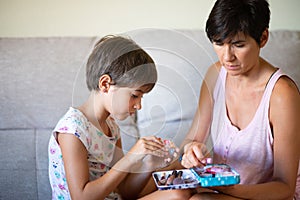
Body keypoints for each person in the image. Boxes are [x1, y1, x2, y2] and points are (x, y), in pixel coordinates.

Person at [180, 0, 300, 199]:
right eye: (219, 43)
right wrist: (191, 150)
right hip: (224, 191)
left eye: (238, 45)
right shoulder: (216, 75)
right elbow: (192, 138)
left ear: (263, 38)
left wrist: (231, 190)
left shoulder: (282, 95)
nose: (227, 57)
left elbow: (284, 187)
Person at [48, 35, 190, 200]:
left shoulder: (111, 127)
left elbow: (124, 192)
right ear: (105, 84)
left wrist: (149, 164)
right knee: (178, 195)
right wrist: (130, 158)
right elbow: (81, 197)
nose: (138, 106)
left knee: (180, 184)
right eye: (135, 95)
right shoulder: (73, 129)